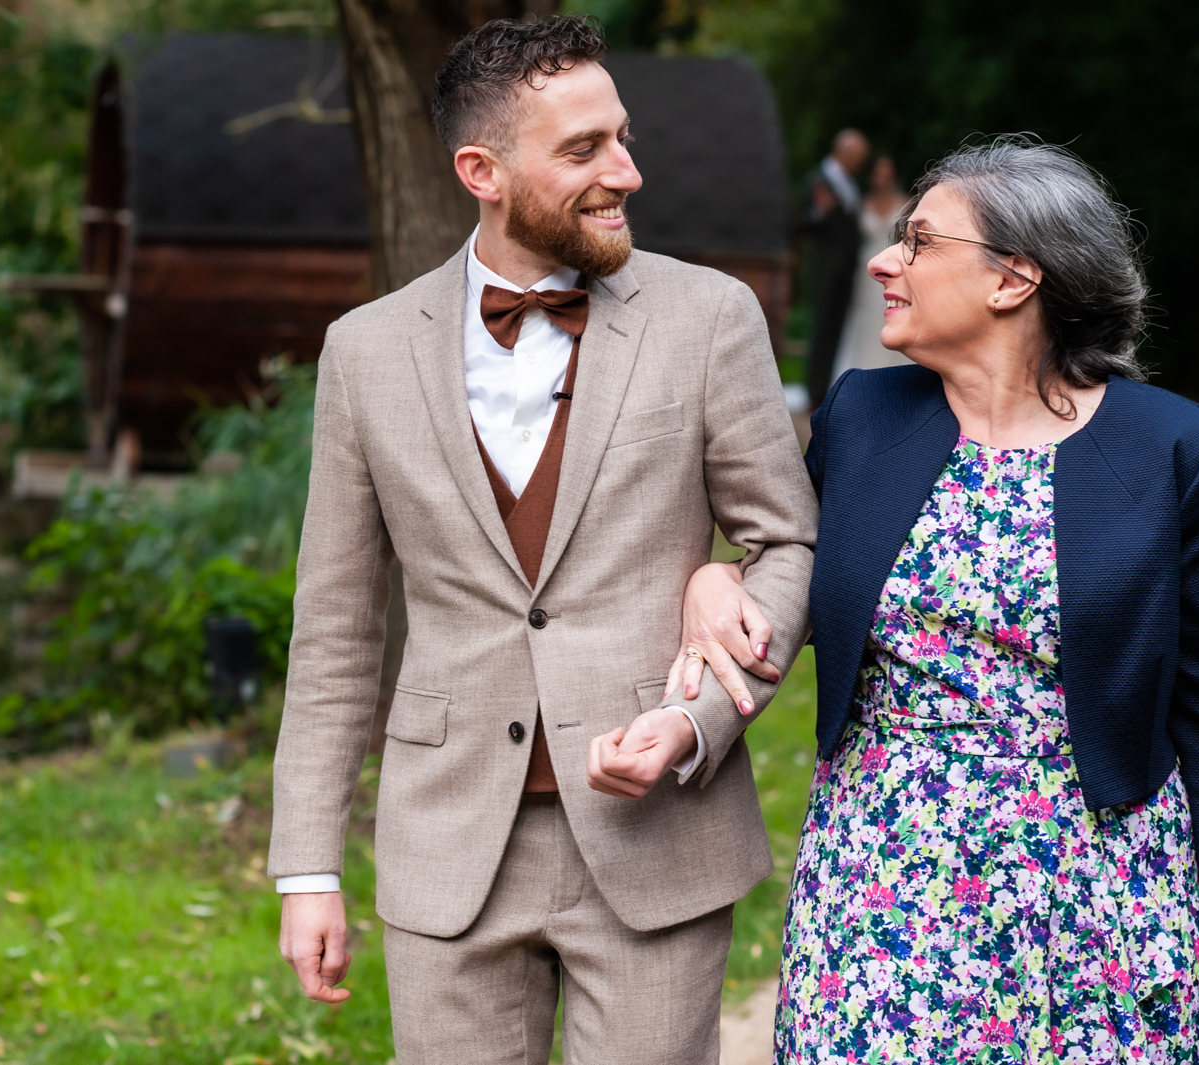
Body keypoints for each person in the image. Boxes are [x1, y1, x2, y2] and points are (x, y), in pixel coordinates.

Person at [268, 15, 817, 1065]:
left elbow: (784, 546)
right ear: (482, 170)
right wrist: (309, 869)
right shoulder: (366, 351)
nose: (627, 171)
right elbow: (334, 626)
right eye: (583, 150)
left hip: (657, 833)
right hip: (446, 845)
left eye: (620, 136)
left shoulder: (710, 318)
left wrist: (697, 719)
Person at [671, 137, 1199, 1061]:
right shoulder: (861, 417)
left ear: (1013, 281)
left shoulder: (1172, 448)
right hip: (882, 874)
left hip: (1100, 886)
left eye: (918, 242)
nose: (883, 260)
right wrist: (714, 577)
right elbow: (789, 564)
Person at [801, 128, 869, 408]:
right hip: (825, 269)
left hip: (846, 270)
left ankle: (826, 386)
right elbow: (800, 224)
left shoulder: (852, 184)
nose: (861, 162)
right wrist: (820, 211)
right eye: (858, 156)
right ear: (844, 152)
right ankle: (813, 392)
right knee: (821, 329)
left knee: (837, 329)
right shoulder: (817, 180)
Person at [830, 155, 910, 381]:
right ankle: (861, 372)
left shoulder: (905, 203)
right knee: (863, 320)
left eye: (886, 172)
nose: (882, 177)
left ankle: (893, 372)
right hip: (865, 270)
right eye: (878, 172)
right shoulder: (862, 203)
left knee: (890, 312)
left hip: (893, 266)